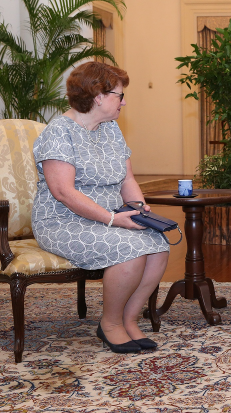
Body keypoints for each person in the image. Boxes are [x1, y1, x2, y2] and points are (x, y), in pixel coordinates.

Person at [31, 62, 170, 354]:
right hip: (62, 221)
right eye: (119, 95)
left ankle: (129, 320)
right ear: (98, 96)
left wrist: (141, 210)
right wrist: (112, 219)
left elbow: (127, 178)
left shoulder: (111, 129)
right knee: (128, 248)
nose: (124, 101)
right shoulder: (59, 132)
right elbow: (63, 192)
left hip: (110, 217)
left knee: (158, 244)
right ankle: (110, 325)